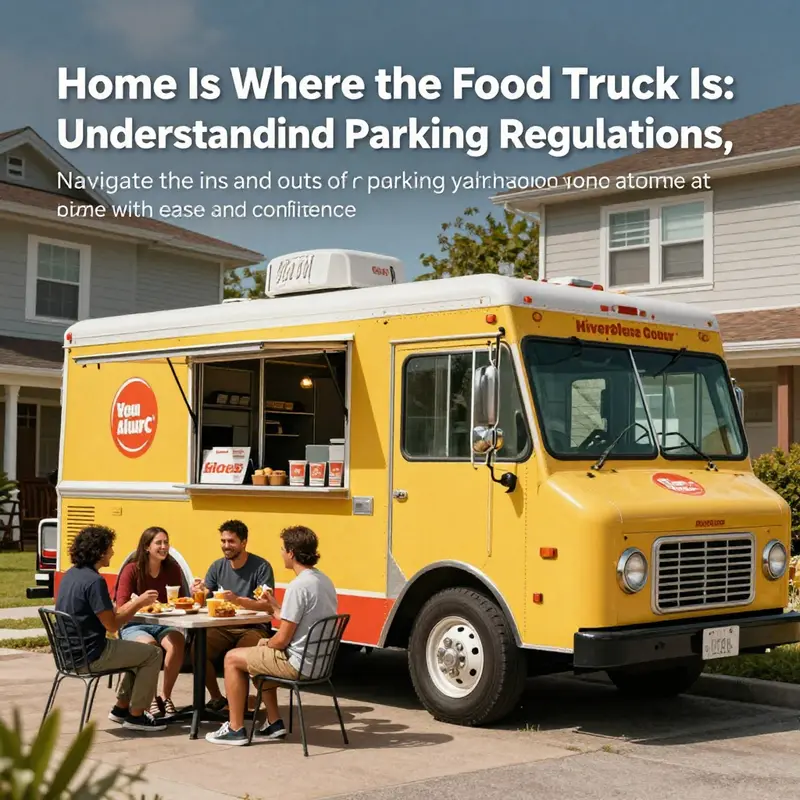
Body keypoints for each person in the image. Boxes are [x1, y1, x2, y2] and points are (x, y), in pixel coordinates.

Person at [206, 525, 337, 746]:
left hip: (298, 663)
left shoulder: (298, 586)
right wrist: (275, 607)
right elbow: (294, 618)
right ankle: (274, 722)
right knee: (256, 653)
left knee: (233, 658)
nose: (282, 554)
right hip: (319, 662)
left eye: (283, 549)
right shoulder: (323, 580)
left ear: (292, 553)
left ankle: (236, 728)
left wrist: (266, 645)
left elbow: (282, 640)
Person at [54, 525, 167, 732]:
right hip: (90, 655)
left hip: (67, 654)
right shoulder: (94, 581)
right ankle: (137, 715)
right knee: (153, 654)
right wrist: (138, 603)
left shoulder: (72, 575)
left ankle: (121, 708)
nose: (112, 552)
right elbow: (113, 625)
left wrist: (124, 607)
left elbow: (100, 613)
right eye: (110, 548)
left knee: (138, 652)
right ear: (99, 551)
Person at [191, 519, 275, 711]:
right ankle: (217, 698)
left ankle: (237, 704)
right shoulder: (217, 566)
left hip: (253, 627)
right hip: (222, 626)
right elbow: (205, 599)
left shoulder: (261, 567)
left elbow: (267, 605)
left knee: (240, 657)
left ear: (243, 543)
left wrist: (238, 600)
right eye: (223, 541)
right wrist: (199, 591)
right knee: (198, 649)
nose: (226, 546)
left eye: (231, 541)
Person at [114, 526, 187, 719]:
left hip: (162, 622)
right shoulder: (132, 570)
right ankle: (151, 698)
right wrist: (140, 601)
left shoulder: (172, 569)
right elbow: (120, 607)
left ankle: (165, 697)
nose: (164, 547)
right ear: (147, 547)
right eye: (159, 543)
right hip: (133, 624)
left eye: (166, 542)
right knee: (151, 648)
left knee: (177, 641)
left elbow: (180, 602)